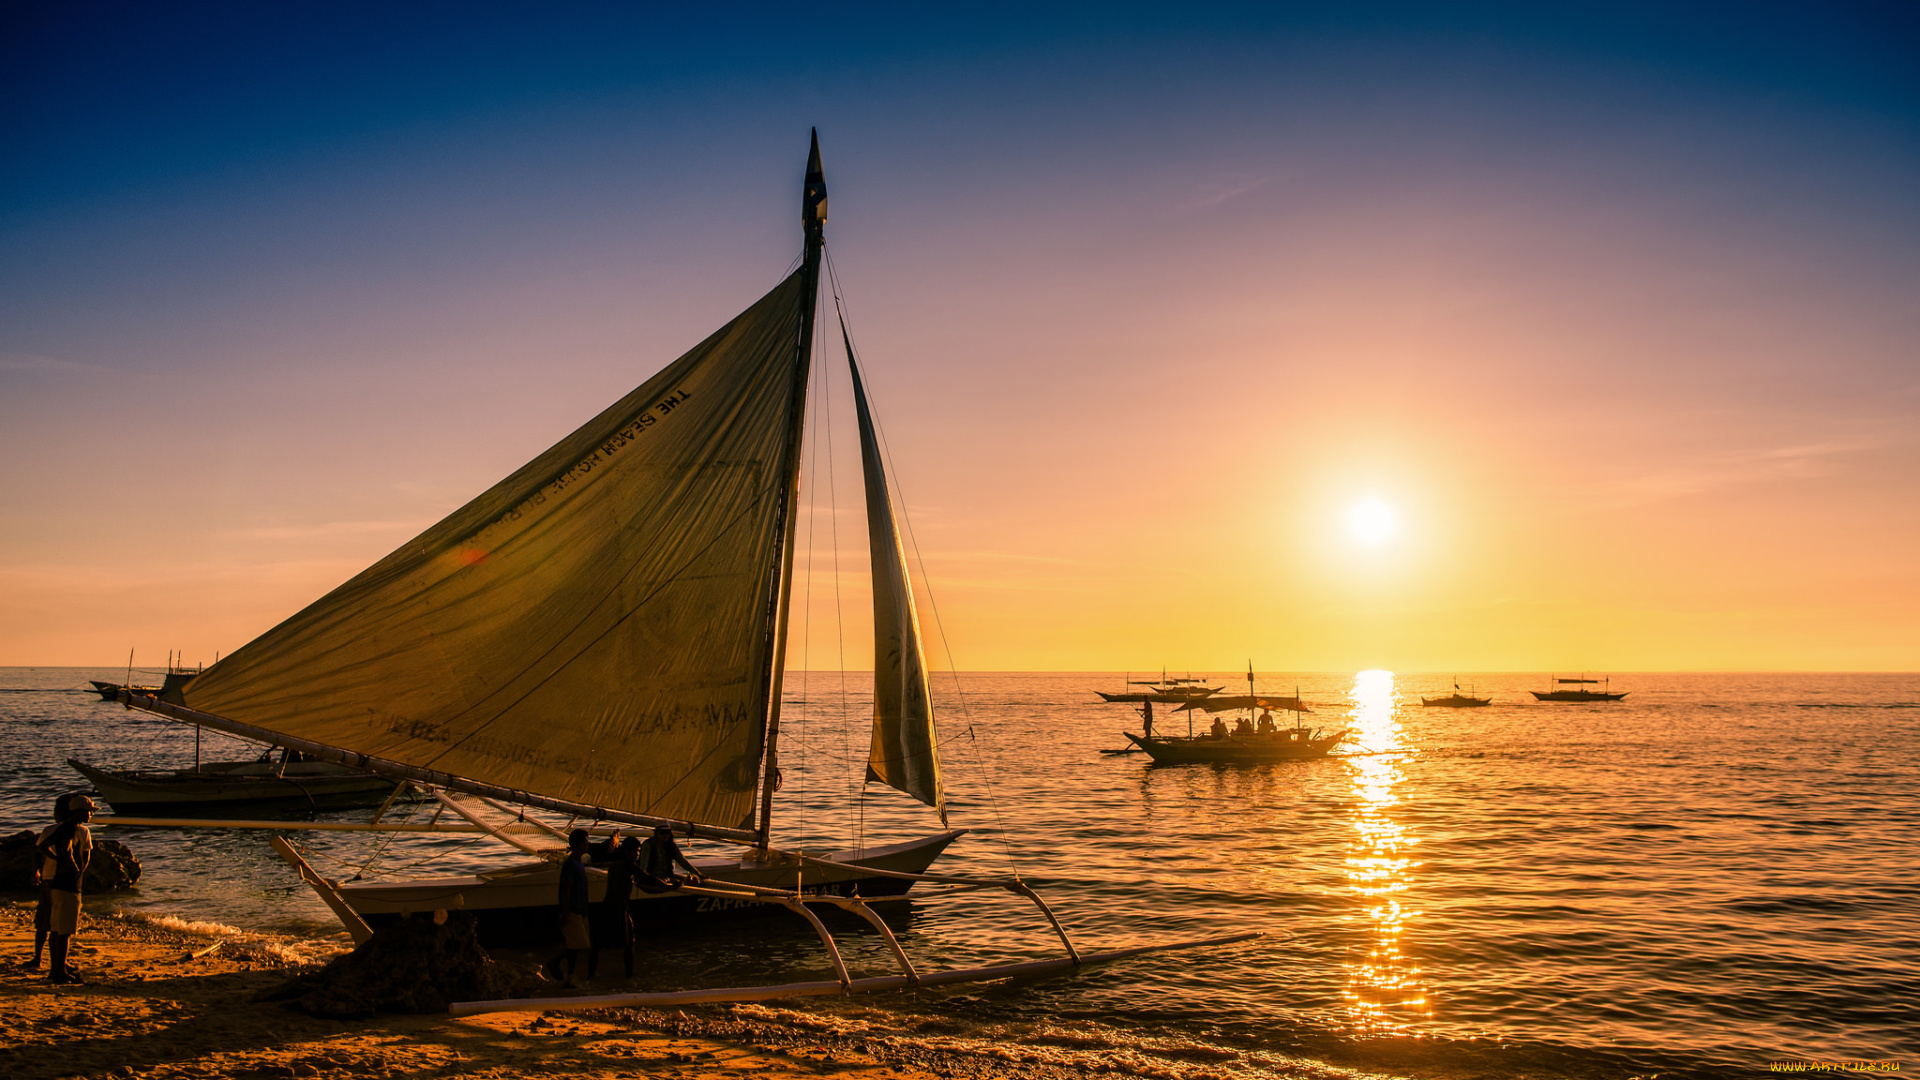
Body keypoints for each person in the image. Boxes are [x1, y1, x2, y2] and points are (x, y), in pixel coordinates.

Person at [37, 793, 93, 985]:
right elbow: (76, 853)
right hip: (68, 885)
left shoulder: (62, 828)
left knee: (56, 929)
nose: (90, 815)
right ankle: (58, 971)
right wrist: (74, 867)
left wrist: (56, 860)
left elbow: (43, 846)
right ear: (79, 812)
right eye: (88, 812)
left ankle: (57, 968)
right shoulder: (76, 830)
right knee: (65, 931)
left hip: (57, 884)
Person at [24, 794, 70, 970]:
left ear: (59, 813)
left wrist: (35, 871)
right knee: (62, 924)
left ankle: (38, 957)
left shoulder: (50, 829)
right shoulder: (80, 830)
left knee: (43, 922)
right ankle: (60, 961)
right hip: (66, 880)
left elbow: (38, 851)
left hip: (49, 878)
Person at [592, 834, 642, 980]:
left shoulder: (615, 864)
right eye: (635, 851)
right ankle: (629, 977)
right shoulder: (628, 865)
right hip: (619, 909)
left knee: (598, 946)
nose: (637, 855)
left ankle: (591, 975)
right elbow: (647, 878)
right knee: (628, 945)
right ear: (627, 851)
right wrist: (670, 885)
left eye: (638, 852)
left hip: (606, 907)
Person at [553, 829, 592, 987]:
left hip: (580, 909)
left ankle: (569, 976)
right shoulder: (571, 864)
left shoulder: (578, 862)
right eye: (586, 841)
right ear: (580, 844)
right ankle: (554, 962)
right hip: (573, 910)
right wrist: (564, 913)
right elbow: (565, 889)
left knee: (575, 945)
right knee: (579, 944)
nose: (588, 843)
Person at [637, 825, 703, 893]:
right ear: (656, 833)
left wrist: (698, 874)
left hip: (666, 876)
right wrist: (643, 880)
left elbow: (682, 861)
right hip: (652, 877)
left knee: (694, 880)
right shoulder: (648, 845)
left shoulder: (671, 845)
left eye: (667, 832)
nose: (665, 835)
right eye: (662, 832)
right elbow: (643, 865)